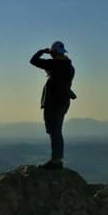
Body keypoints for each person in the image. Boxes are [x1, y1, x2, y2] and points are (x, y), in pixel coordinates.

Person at [30, 40, 75, 170]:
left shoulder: (54, 64)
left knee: (54, 131)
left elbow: (33, 60)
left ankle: (56, 161)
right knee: (57, 131)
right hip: (63, 102)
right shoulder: (69, 67)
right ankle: (57, 159)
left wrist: (42, 51)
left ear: (53, 53)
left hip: (53, 102)